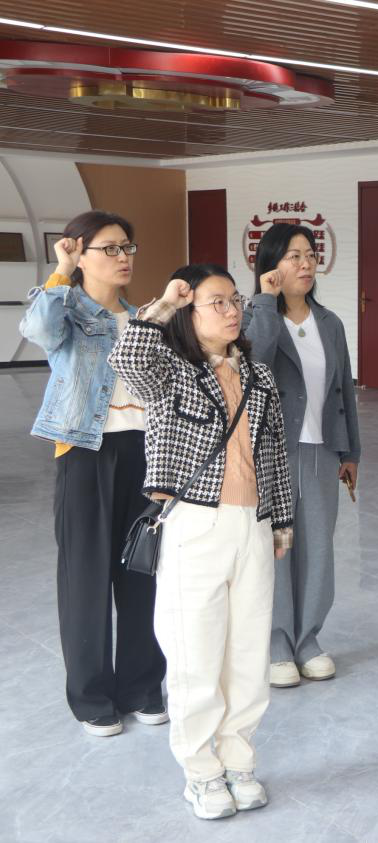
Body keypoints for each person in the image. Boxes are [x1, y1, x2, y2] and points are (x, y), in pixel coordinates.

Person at [109, 265, 295, 820]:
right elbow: (127, 359)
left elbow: (275, 453)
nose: (233, 310)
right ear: (190, 313)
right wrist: (164, 304)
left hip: (253, 526)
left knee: (247, 653)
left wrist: (281, 521)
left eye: (235, 300)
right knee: (195, 654)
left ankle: (239, 760)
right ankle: (201, 772)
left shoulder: (259, 375)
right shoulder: (171, 370)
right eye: (217, 302)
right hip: (194, 523)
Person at [19, 211, 167, 737]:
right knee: (85, 578)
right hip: (84, 452)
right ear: (79, 252)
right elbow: (36, 329)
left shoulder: (145, 318)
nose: (124, 257)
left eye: (128, 247)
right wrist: (60, 271)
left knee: (142, 573)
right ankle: (90, 696)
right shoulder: (65, 311)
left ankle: (143, 685)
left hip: (145, 454)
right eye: (110, 248)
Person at [244, 223, 360, 688]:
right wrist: (265, 300)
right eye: (294, 256)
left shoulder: (329, 323)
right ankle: (277, 642)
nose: (306, 264)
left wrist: (350, 451)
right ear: (272, 264)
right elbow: (254, 360)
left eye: (310, 254)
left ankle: (308, 639)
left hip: (321, 450)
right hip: (272, 452)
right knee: (278, 545)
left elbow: (344, 388)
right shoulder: (256, 316)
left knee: (317, 549)